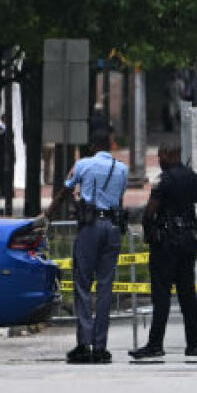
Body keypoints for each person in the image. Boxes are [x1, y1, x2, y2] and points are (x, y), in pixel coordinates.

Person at [129, 146, 197, 361]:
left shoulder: (163, 180)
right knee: (188, 295)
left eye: (160, 156)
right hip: (188, 242)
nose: (159, 160)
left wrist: (149, 235)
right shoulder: (196, 179)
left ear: (168, 155)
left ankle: (155, 344)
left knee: (162, 295)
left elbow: (149, 212)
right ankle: (193, 346)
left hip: (165, 243)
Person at [65, 137, 128, 365]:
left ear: (91, 147)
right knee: (105, 287)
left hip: (90, 228)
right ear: (110, 146)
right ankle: (101, 347)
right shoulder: (121, 168)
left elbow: (67, 187)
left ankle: (84, 343)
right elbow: (119, 199)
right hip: (112, 228)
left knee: (82, 284)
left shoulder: (83, 164)